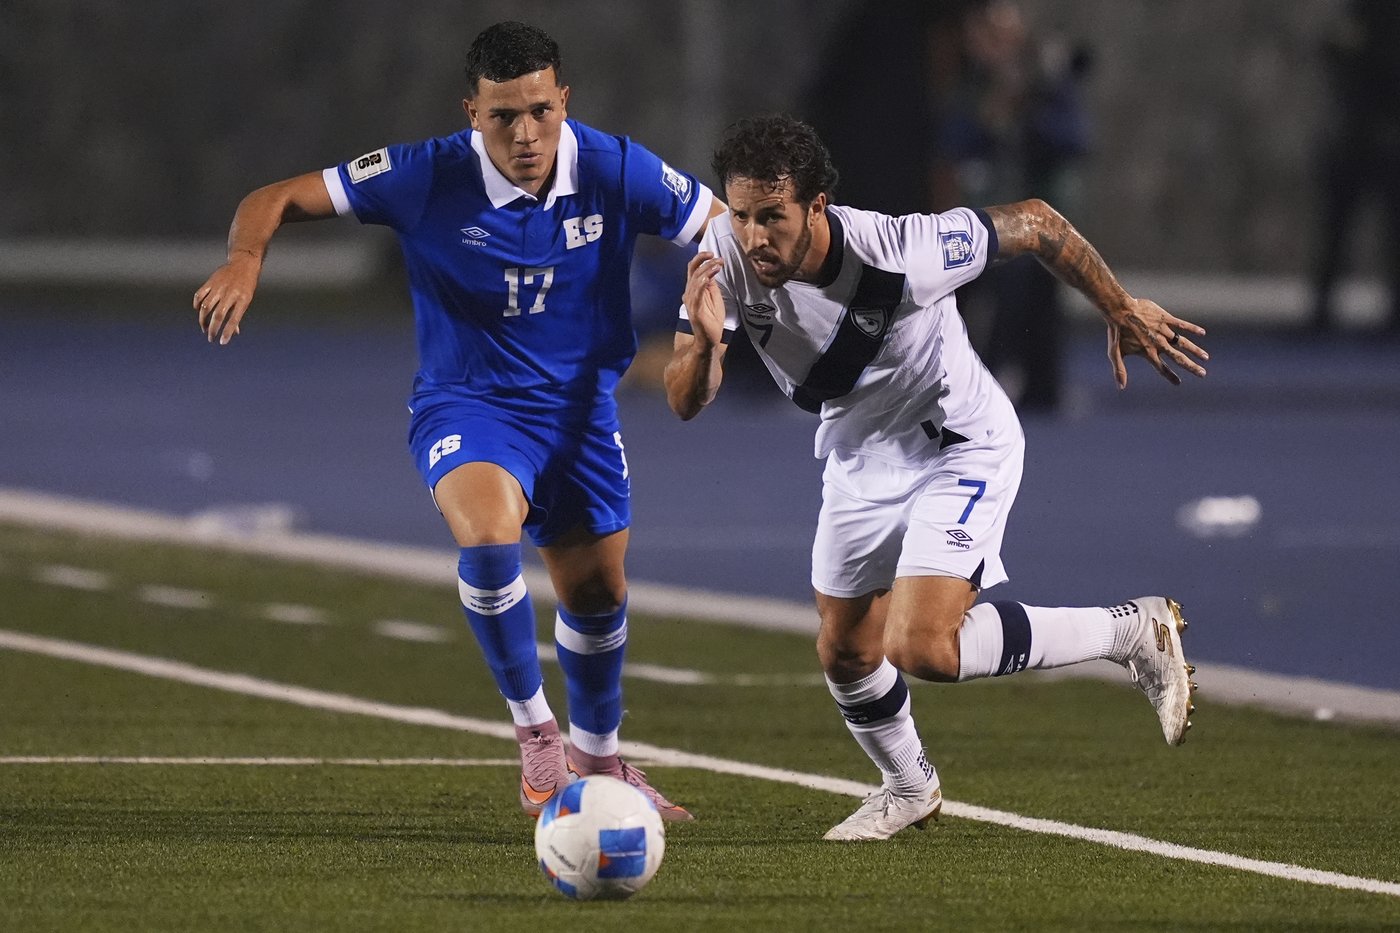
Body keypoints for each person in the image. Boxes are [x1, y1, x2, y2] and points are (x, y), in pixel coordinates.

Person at [194, 21, 722, 821]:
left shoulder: (614, 166)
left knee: (598, 595)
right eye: (502, 116)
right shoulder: (423, 174)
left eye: (540, 111)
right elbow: (275, 198)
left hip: (580, 414)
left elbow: (721, 227)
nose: (525, 133)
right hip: (469, 403)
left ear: (563, 101)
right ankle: (537, 738)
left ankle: (601, 757)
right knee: (487, 533)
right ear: (471, 113)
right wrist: (245, 256)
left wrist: (702, 313)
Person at [665, 115, 1207, 841]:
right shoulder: (722, 255)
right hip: (859, 456)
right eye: (741, 214)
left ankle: (1133, 630)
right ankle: (909, 788)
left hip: (958, 446)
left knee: (920, 646)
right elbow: (683, 400)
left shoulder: (904, 250)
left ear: (817, 206)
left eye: (773, 217)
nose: (755, 235)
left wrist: (1118, 305)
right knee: (847, 649)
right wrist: (704, 346)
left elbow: (1039, 224)